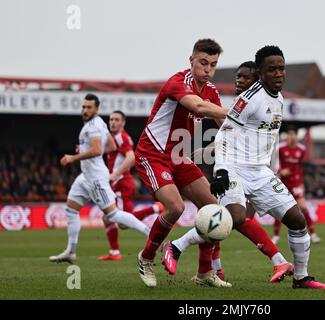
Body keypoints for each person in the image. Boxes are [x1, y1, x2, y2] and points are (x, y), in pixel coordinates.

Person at [210, 45, 325, 289]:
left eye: (281, 68)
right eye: (272, 69)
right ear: (261, 73)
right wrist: (221, 169)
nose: (279, 73)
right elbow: (224, 134)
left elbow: (265, 139)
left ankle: (301, 277)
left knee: (297, 220)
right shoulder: (248, 100)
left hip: (260, 171)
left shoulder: (280, 99)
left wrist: (269, 168)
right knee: (234, 217)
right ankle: (181, 247)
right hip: (234, 167)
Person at [164, 61, 294, 284]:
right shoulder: (241, 105)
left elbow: (248, 142)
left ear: (257, 81)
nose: (239, 81)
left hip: (255, 173)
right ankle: (274, 260)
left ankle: (202, 262)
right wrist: (209, 157)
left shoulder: (259, 106)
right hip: (233, 171)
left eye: (245, 77)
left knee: (226, 218)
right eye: (238, 76)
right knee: (231, 217)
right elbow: (227, 138)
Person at [134, 39, 230, 288]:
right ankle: (146, 258)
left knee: (214, 208)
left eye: (213, 64)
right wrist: (237, 112)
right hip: (153, 155)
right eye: (203, 62)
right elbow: (197, 106)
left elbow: (223, 126)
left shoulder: (211, 90)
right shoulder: (178, 82)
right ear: (191, 60)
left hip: (179, 157)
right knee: (175, 207)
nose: (208, 69)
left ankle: (205, 273)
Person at [49, 94, 151, 264]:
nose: (85, 110)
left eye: (89, 107)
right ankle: (70, 251)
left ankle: (150, 233)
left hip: (96, 178)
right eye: (83, 107)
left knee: (113, 215)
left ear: (96, 109)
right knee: (70, 209)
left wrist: (73, 157)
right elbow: (110, 146)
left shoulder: (93, 127)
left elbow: (97, 150)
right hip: (86, 177)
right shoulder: (99, 124)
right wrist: (84, 148)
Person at [97, 110, 164, 261]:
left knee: (122, 221)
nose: (113, 122)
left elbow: (131, 157)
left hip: (122, 183)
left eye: (116, 120)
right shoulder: (115, 138)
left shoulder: (122, 137)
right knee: (108, 218)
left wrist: (115, 175)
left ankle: (156, 208)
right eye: (111, 119)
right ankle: (114, 252)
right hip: (121, 183)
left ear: (123, 122)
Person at [273, 127, 321, 245]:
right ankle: (276, 236)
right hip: (283, 183)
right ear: (287, 137)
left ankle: (313, 234)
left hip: (296, 183)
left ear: (297, 137)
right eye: (290, 135)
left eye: (294, 135)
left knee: (303, 207)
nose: (292, 137)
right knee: (279, 208)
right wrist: (280, 171)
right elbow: (274, 163)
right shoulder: (280, 148)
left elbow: (299, 167)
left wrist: (301, 183)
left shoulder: (301, 149)